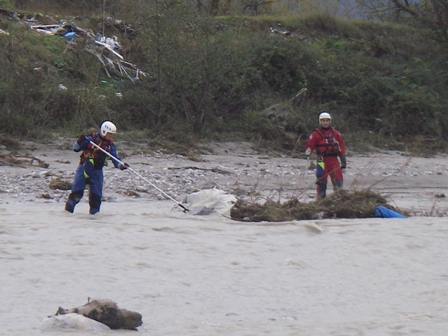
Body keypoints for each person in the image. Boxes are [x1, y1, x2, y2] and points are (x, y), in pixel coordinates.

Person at [65, 120, 129, 214]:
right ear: (104, 131)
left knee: (96, 198)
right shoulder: (90, 139)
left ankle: (94, 218)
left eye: (112, 134)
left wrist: (121, 165)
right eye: (110, 134)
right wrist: (80, 141)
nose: (111, 136)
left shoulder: (110, 146)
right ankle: (67, 214)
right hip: (84, 168)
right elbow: (76, 148)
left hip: (97, 172)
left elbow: (115, 159)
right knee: (76, 194)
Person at [305, 111, 347, 199]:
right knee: (321, 181)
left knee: (338, 180)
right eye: (323, 120)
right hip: (322, 160)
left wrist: (343, 159)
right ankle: (320, 199)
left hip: (334, 160)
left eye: (327, 120)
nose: (325, 122)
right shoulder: (316, 134)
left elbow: (341, 146)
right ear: (320, 122)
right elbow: (309, 145)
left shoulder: (335, 133)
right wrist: (308, 156)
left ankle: (339, 198)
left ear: (329, 121)